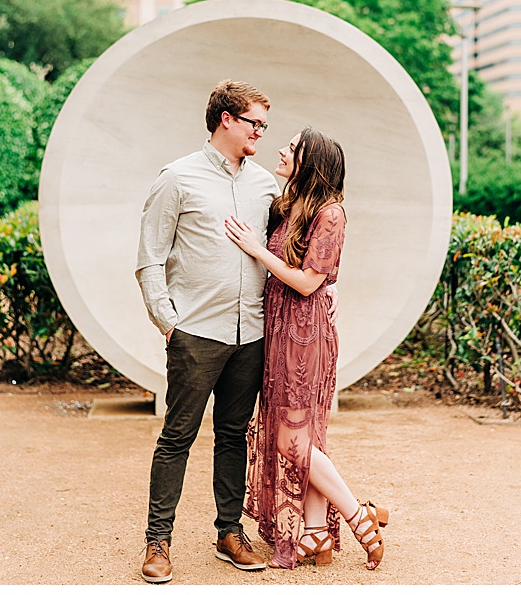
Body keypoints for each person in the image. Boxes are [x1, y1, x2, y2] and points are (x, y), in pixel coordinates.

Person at [135, 80, 281, 583]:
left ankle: (229, 533)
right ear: (225, 119)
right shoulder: (177, 178)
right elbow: (149, 258)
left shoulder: (265, 185)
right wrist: (169, 323)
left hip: (252, 332)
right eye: (254, 122)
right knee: (177, 437)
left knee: (233, 435)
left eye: (265, 124)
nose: (261, 131)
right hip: (196, 333)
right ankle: (158, 542)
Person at [225, 128, 388, 570]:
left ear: (310, 160)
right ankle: (315, 534)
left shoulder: (331, 214)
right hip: (279, 328)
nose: (281, 149)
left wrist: (257, 250)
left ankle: (357, 515)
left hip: (304, 333)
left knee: (288, 438)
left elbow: (307, 281)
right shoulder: (292, 205)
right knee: (304, 437)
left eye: (293, 148)